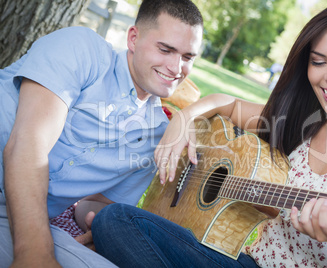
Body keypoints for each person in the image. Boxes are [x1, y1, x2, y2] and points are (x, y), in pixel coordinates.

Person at [91, 1, 327, 267]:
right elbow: (226, 103)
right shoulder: (307, 118)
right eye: (318, 61)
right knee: (117, 220)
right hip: (245, 261)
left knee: (112, 224)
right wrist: (183, 120)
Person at [0, 0, 203, 266]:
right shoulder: (81, 49)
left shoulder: (155, 136)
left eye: (187, 57)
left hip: (19, 218)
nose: (177, 69)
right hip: (28, 225)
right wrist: (35, 254)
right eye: (165, 49)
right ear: (133, 38)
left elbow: (96, 203)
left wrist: (99, 226)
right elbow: (27, 145)